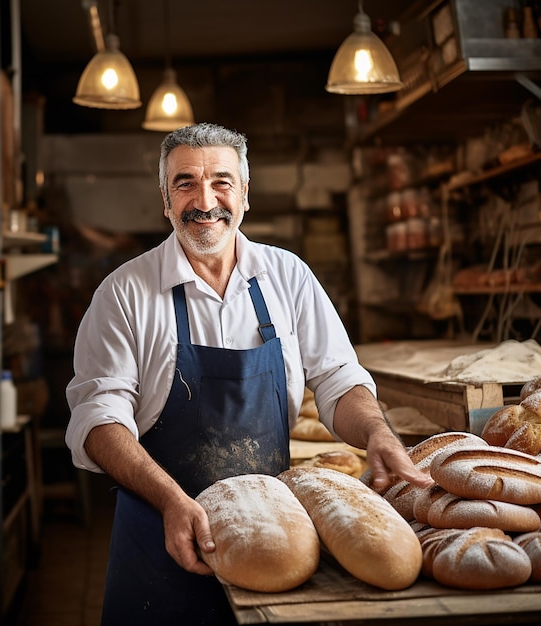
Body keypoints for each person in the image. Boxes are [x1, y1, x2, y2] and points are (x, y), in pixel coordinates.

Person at [65, 122, 433, 625]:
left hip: (273, 531)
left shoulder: (288, 276)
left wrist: (376, 433)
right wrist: (172, 499)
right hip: (160, 531)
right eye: (185, 183)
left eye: (221, 181)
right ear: (165, 200)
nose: (205, 200)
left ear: (244, 194)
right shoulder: (124, 292)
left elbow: (337, 377)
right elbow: (98, 417)